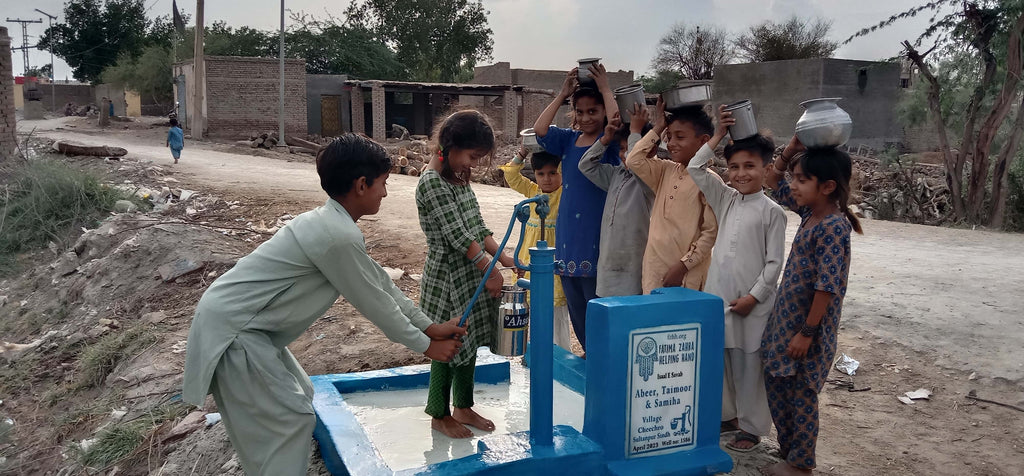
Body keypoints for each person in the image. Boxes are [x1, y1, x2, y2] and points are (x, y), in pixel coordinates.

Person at [181, 134, 467, 475]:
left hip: (244, 326)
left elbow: (380, 283)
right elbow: (375, 302)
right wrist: (426, 346)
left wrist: (431, 327)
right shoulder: (337, 236)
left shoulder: (331, 224)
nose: (386, 192)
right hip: (237, 332)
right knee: (288, 420)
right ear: (362, 185)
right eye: (383, 183)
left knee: (299, 395)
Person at [760, 137, 863, 476]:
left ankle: (801, 465)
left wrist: (806, 332)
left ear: (828, 186)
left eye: (802, 179)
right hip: (786, 323)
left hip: (809, 331)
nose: (793, 184)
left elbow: (827, 286)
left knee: (801, 396)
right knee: (778, 386)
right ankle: (790, 455)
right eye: (795, 177)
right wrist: (791, 149)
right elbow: (771, 180)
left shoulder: (834, 227)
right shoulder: (809, 213)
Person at [688, 105, 786, 453]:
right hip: (720, 298)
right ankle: (728, 416)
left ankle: (751, 426)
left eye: (749, 166)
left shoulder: (772, 212)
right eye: (734, 167)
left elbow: (774, 263)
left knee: (748, 366)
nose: (741, 174)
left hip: (752, 306)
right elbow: (695, 167)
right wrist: (717, 135)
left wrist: (754, 297)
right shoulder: (725, 199)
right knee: (722, 360)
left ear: (766, 169)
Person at [417, 110, 516, 438]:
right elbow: (458, 236)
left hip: (468, 275)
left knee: (468, 342)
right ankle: (438, 413)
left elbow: (476, 226)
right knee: (446, 344)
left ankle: (462, 406)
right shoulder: (431, 182)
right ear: (451, 145)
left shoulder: (458, 181)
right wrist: (490, 270)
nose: (472, 165)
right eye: (472, 156)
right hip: (446, 280)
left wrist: (506, 258)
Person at [533, 63, 620, 352]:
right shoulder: (569, 141)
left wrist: (606, 88)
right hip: (569, 236)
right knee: (575, 306)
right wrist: (562, 94)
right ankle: (587, 352)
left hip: (595, 235)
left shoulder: (606, 142)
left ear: (604, 113)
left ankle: (601, 356)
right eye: (580, 112)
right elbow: (540, 129)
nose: (586, 118)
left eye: (593, 111)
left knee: (596, 303)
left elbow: (617, 120)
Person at [625, 98, 718, 294]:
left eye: (680, 137)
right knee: (654, 321)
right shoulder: (665, 171)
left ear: (703, 141)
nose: (672, 143)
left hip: (686, 275)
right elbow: (633, 160)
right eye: (669, 137)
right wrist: (659, 126)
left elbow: (710, 233)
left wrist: (683, 266)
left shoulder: (710, 181)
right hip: (653, 270)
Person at [498, 146, 572, 350]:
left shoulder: (566, 195)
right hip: (527, 266)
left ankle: (560, 356)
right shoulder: (533, 191)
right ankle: (531, 353)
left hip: (553, 269)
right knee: (526, 313)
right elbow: (511, 175)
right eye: (541, 174)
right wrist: (522, 152)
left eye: (553, 173)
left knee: (554, 313)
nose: (547, 179)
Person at [578, 106, 656, 297]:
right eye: (622, 149)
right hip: (608, 267)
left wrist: (636, 131)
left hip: (632, 268)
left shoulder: (651, 180)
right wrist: (605, 139)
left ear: (652, 149)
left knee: (629, 319)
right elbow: (586, 165)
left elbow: (636, 163)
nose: (624, 154)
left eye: (630, 148)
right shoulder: (616, 175)